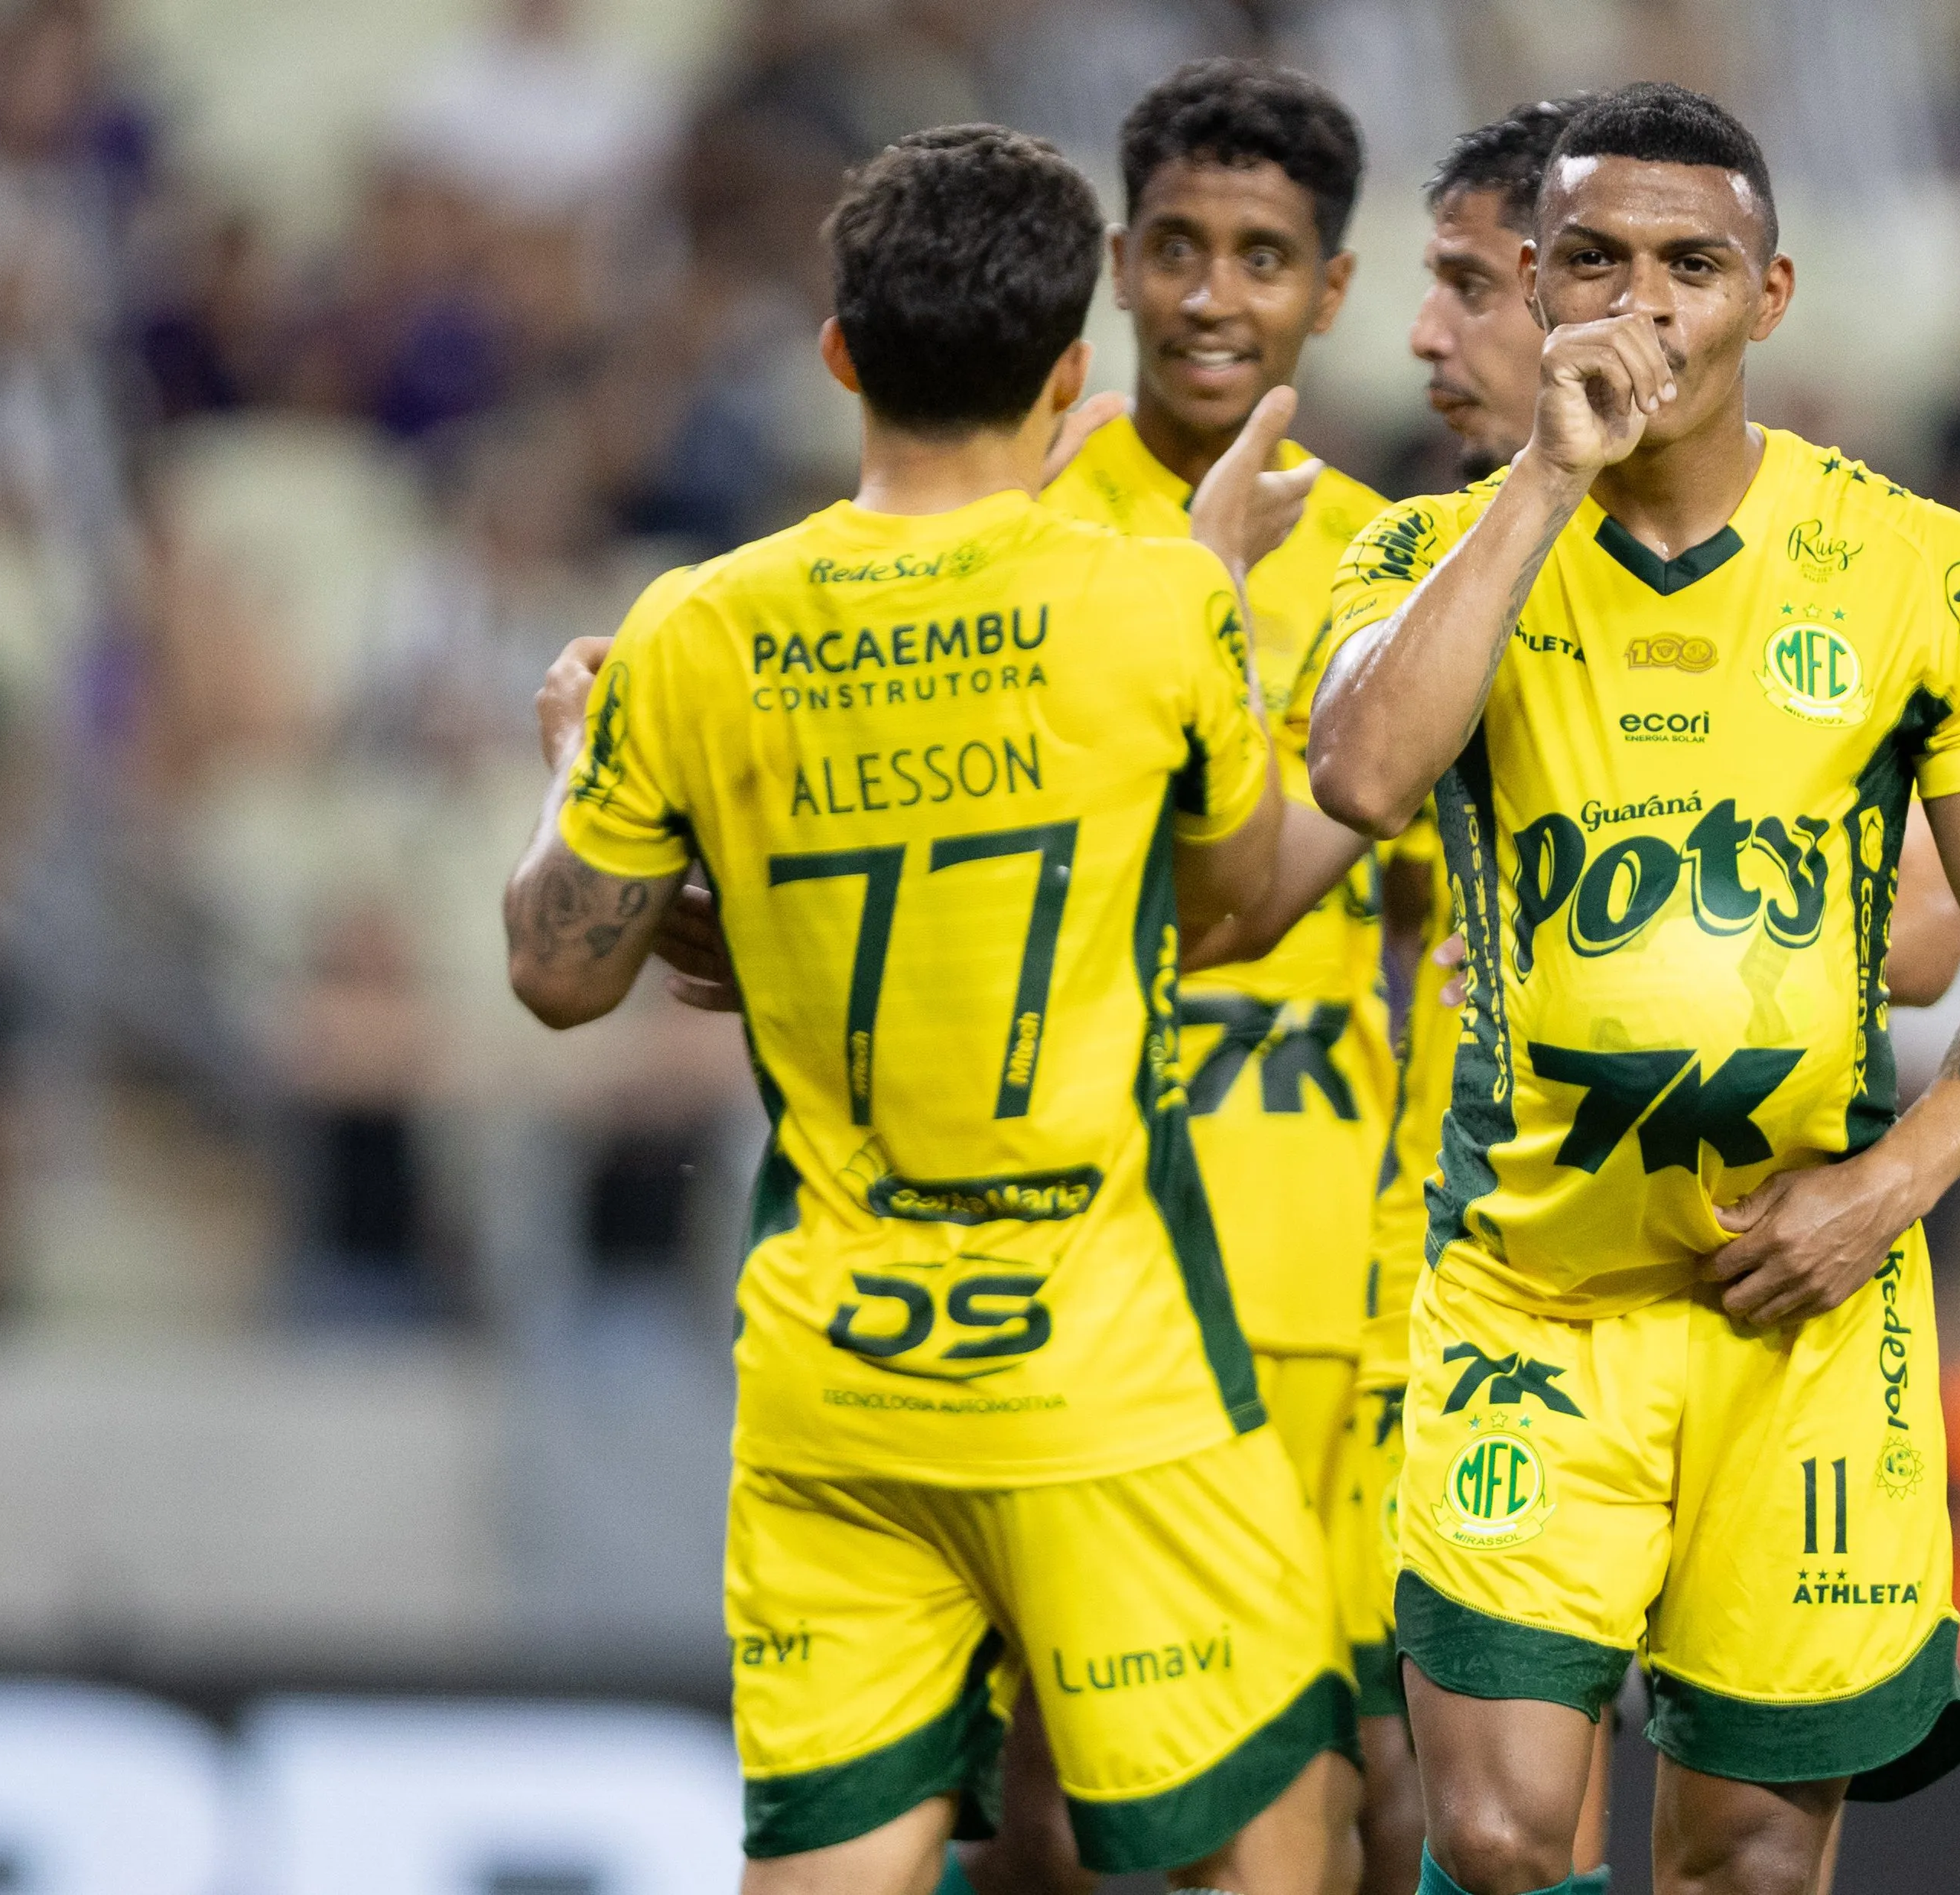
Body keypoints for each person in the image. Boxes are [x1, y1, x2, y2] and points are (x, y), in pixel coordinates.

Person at [499, 125, 1346, 1893]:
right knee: (1275, 1858)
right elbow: (1243, 902)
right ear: (1070, 375)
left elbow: (560, 974)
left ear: (837, 354)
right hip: (1101, 1374)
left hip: (835, 1377)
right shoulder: (1155, 602)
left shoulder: (696, 629)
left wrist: (569, 769)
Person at [1303, 84, 1960, 1895]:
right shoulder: (1431, 556)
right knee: (1501, 1838)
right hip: (1532, 1293)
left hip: (1798, 1322)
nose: (1644, 306)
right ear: (1536, 275)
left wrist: (1887, 1190)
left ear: (1771, 294)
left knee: (1741, 1864)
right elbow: (1358, 779)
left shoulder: (1918, 571)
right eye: (1594, 261)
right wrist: (1545, 477)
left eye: (1692, 267)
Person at [966, 56, 1390, 1895]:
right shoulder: (1002, 539)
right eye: (1182, 250)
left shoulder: (1395, 564)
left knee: (1354, 1802)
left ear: (1331, 287)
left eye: (1265, 256)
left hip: (1314, 1270)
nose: (1219, 297)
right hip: (1071, 1253)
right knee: (1054, 1800)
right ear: (1117, 268)